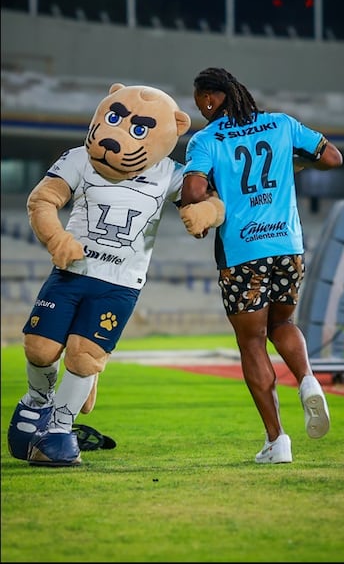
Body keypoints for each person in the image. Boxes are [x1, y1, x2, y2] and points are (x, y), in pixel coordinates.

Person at [6, 83, 213, 466]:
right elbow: (43, 199)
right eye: (114, 119)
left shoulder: (170, 173)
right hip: (70, 272)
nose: (116, 137)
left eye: (138, 130)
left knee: (84, 358)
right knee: (39, 347)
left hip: (120, 285)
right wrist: (57, 238)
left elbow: (207, 198)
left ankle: (60, 429)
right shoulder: (78, 159)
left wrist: (208, 212)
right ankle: (38, 400)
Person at [181, 67, 343, 465]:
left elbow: (193, 191)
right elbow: (333, 157)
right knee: (283, 325)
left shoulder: (205, 139)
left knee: (252, 343)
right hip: (288, 245)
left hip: (242, 252)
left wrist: (200, 201)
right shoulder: (281, 123)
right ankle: (307, 381)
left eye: (199, 99)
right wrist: (294, 164)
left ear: (208, 98)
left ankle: (277, 440)